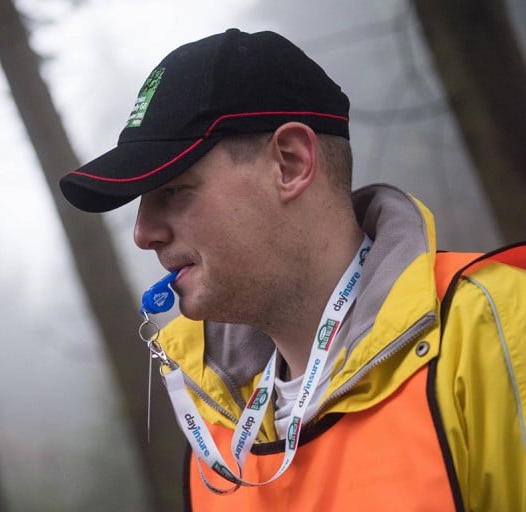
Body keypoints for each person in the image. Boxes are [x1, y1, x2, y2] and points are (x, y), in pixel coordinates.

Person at [59, 29, 526, 511]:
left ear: (290, 163)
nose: (143, 233)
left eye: (173, 190)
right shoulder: (210, 420)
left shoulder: (498, 328)